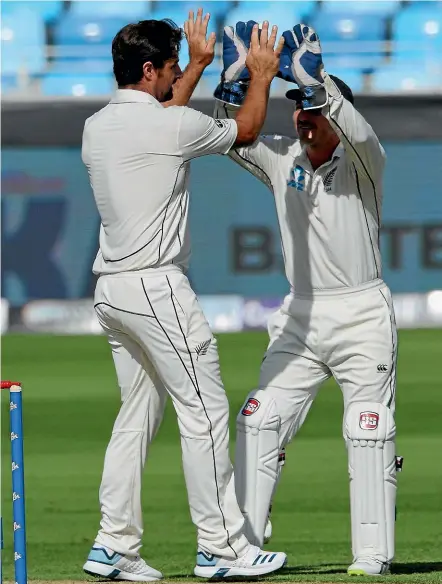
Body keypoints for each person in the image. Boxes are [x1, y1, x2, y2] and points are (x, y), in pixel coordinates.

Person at [81, 8, 288, 582]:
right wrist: (263, 75)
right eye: (171, 68)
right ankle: (222, 549)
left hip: (112, 292)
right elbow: (244, 131)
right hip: (156, 286)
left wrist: (196, 63)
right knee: (205, 410)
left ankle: (113, 544)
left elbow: (167, 118)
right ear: (150, 70)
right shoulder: (168, 127)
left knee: (137, 416)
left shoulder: (97, 126)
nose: (177, 77)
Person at [214, 22, 401, 577]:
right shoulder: (283, 158)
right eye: (298, 107)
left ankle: (371, 556)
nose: (303, 115)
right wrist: (237, 84)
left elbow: (357, 129)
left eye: (312, 106)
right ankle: (244, 547)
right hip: (300, 315)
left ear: (335, 112)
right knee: (258, 417)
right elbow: (233, 137)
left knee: (368, 428)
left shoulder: (366, 163)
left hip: (362, 313)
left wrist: (320, 87)